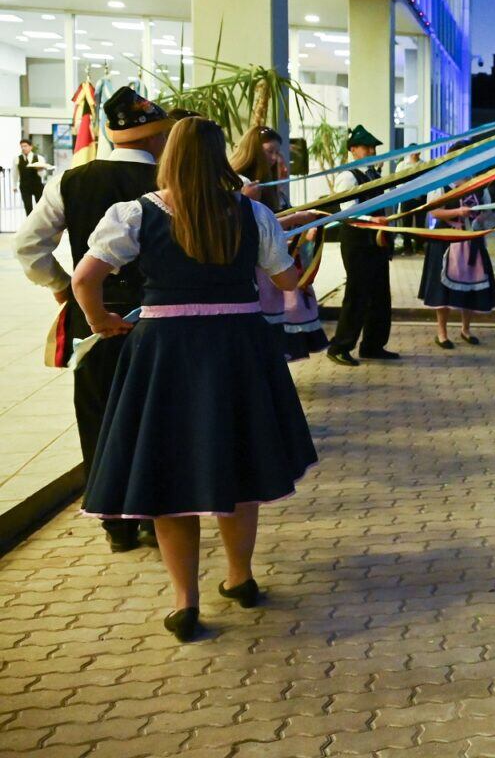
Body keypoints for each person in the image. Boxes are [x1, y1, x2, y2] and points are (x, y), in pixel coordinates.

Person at [73, 117, 317, 642]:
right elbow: (286, 281)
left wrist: (99, 321)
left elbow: (84, 277)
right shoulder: (252, 213)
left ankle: (185, 601)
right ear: (219, 157)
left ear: (170, 156)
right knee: (240, 464)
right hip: (239, 350)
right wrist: (304, 239)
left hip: (165, 353)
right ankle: (241, 577)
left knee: (167, 478)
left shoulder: (135, 214)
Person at [15, 88, 172, 553]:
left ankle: (115, 524)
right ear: (159, 136)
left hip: (94, 317)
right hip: (162, 320)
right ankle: (154, 516)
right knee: (157, 418)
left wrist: (63, 286)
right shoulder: (174, 181)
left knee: (99, 417)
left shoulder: (72, 180)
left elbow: (28, 246)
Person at [231, 126, 328, 360]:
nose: (274, 158)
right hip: (259, 270)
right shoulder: (242, 184)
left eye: (277, 152)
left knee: (276, 339)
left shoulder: (267, 185)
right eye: (269, 151)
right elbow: (251, 223)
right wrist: (296, 218)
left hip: (274, 266)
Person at [326, 125, 399, 366]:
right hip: (357, 242)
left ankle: (373, 345)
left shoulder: (374, 174)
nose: (371, 151)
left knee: (380, 294)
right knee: (357, 294)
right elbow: (347, 212)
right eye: (366, 147)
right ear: (353, 149)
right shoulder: (348, 176)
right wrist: (372, 220)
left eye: (373, 147)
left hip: (376, 241)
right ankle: (340, 346)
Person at [418, 173, 495, 348]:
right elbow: (434, 211)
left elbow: (488, 211)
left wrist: (479, 218)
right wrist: (458, 212)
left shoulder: (479, 185)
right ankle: (442, 333)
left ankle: (466, 329)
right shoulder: (442, 184)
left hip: (471, 240)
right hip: (446, 239)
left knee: (471, 286)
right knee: (442, 290)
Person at [16, 138, 46, 214]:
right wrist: (14, 185)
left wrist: (40, 169)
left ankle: (40, 223)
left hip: (37, 185)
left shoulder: (39, 158)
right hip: (24, 185)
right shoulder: (17, 159)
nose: (23, 148)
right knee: (28, 206)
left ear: (30, 147)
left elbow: (43, 175)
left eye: (25, 146)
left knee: (40, 206)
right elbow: (15, 173)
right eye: (22, 146)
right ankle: (30, 224)